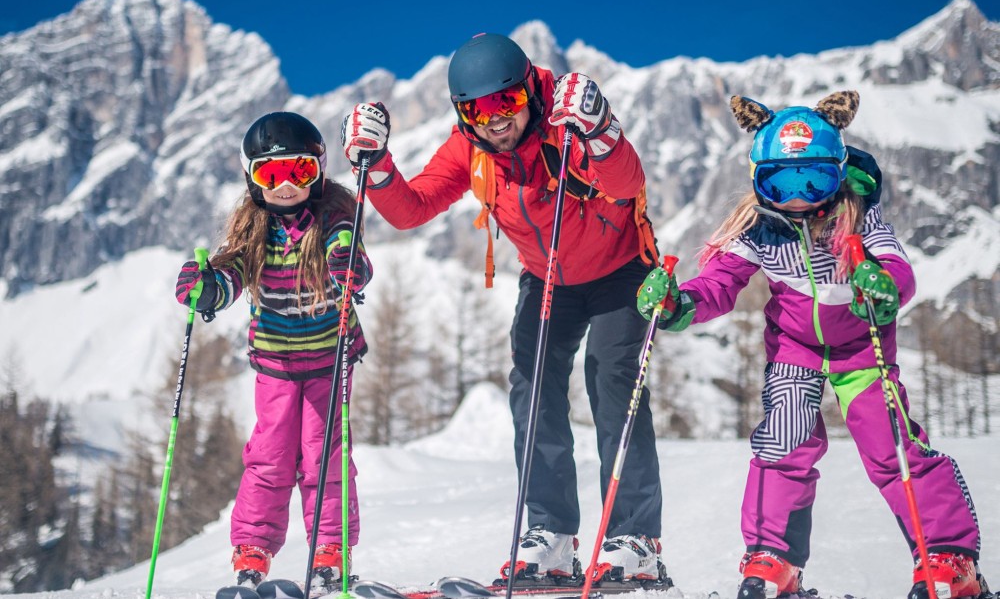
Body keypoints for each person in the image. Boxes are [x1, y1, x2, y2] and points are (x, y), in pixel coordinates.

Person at [339, 33, 669, 585]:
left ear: (527, 94)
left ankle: (635, 540)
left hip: (619, 269)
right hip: (548, 279)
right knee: (532, 385)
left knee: (612, 381)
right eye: (477, 110)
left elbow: (627, 182)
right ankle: (551, 536)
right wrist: (375, 166)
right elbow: (411, 209)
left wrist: (601, 128)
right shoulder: (470, 149)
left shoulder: (566, 120)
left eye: (506, 104)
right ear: (462, 113)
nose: (494, 121)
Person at [637, 91, 989, 599]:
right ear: (760, 181)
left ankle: (948, 556)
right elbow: (718, 284)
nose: (798, 197)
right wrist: (679, 303)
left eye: (814, 180)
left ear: (837, 175)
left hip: (862, 350)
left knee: (889, 443)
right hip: (795, 350)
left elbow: (897, 268)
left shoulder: (859, 217)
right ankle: (772, 558)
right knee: (784, 439)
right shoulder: (759, 228)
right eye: (779, 182)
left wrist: (883, 285)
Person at [174, 112, 372, 591]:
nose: (286, 186)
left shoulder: (333, 219)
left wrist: (348, 265)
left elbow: (352, 256)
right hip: (276, 368)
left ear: (318, 172)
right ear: (252, 178)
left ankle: (330, 549)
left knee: (323, 455)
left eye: (299, 171)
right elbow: (232, 275)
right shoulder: (253, 230)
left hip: (328, 360)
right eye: (271, 173)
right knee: (270, 457)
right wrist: (207, 290)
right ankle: (253, 552)